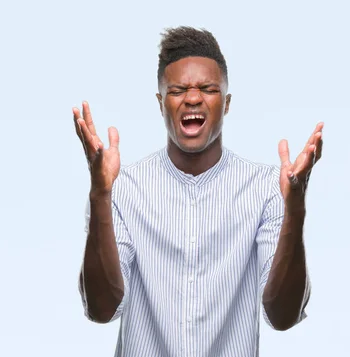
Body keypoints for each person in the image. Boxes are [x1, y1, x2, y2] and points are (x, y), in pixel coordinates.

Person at [73, 26, 323, 357]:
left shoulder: (266, 189)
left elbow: (283, 316)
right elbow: (101, 309)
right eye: (178, 90)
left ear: (227, 103)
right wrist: (99, 195)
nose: (193, 98)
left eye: (207, 88)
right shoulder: (121, 189)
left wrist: (296, 211)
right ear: (161, 103)